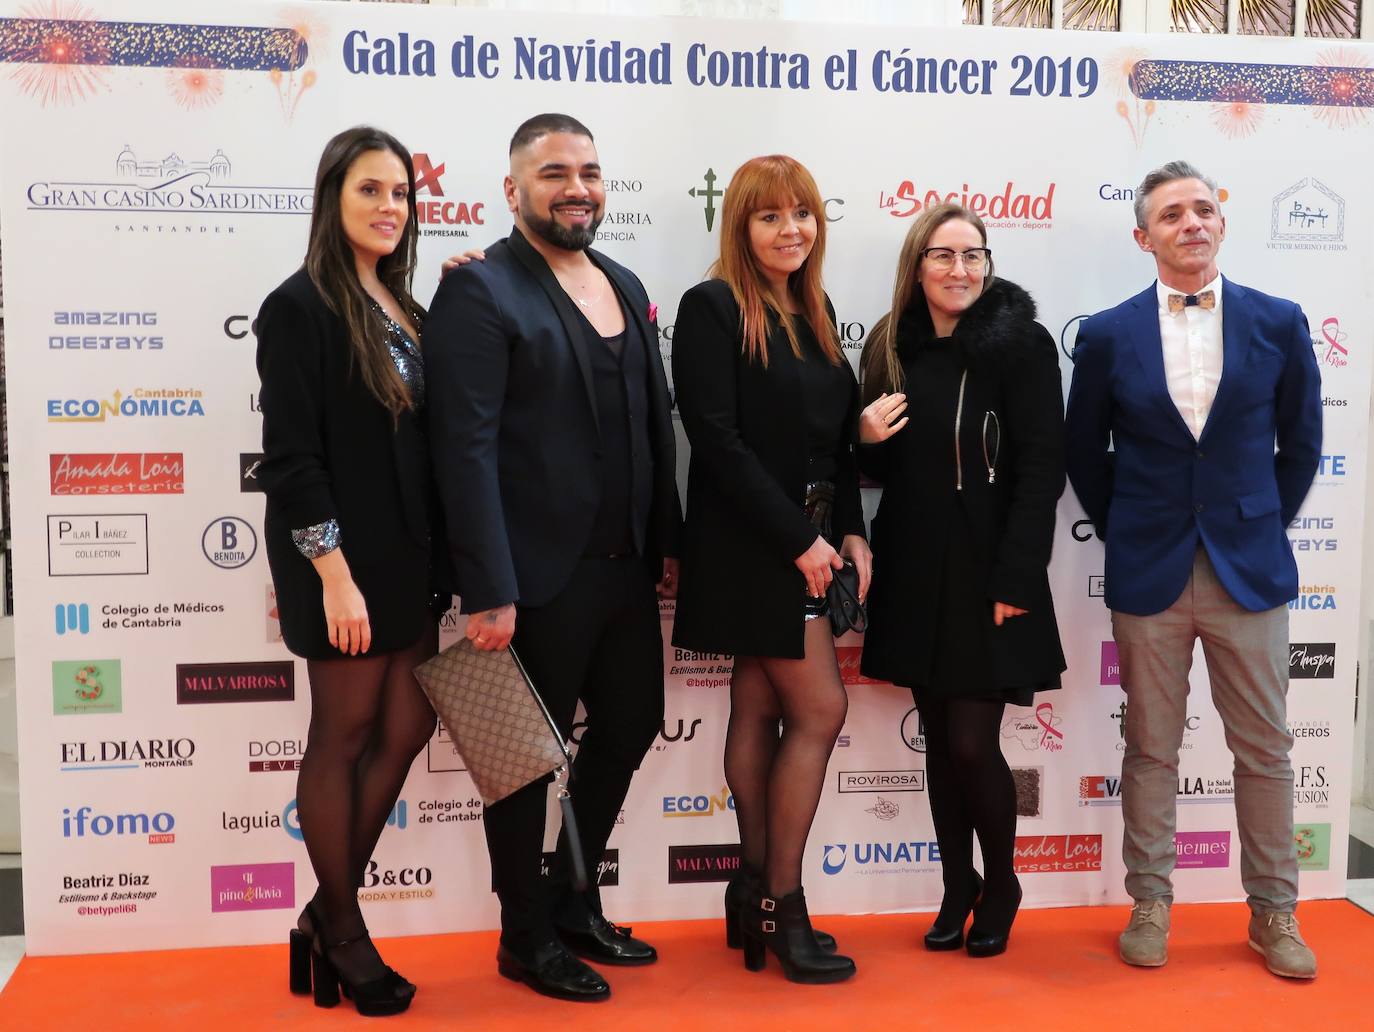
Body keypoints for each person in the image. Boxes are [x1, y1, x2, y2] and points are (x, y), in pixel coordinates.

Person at [425, 113, 681, 1003]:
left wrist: (667, 544)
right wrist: (488, 587)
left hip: (623, 568)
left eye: (591, 171)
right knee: (522, 763)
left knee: (631, 724)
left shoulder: (624, 278)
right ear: (513, 191)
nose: (578, 187)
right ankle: (522, 936)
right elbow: (466, 448)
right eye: (555, 173)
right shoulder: (483, 289)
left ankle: (574, 900)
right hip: (531, 580)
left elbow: (656, 429)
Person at [1065, 160, 1322, 978]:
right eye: (1173, 214)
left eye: (1204, 208)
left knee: (1266, 750)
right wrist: (1131, 528)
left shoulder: (1279, 322)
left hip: (1249, 568)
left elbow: (1304, 443)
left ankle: (1274, 913)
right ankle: (1150, 902)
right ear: (1145, 236)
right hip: (1150, 570)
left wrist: (1256, 520)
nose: (1192, 222)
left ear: (1223, 221)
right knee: (1150, 748)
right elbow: (1084, 451)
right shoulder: (1106, 333)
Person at [256, 125, 441, 1016]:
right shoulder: (300, 307)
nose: (390, 208)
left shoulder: (408, 308)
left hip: (410, 562)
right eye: (371, 190)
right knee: (341, 734)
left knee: (404, 730)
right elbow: (291, 459)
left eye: (401, 193)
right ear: (333, 198)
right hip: (340, 566)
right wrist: (332, 573)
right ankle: (345, 933)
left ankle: (320, 917)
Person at [672, 154, 868, 985]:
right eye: (770, 216)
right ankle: (783, 907)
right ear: (740, 226)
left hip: (809, 541)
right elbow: (717, 441)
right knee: (819, 710)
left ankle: (749, 889)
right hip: (752, 544)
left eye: (803, 214)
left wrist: (850, 531)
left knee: (758, 703)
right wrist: (800, 540)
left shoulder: (814, 307)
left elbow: (837, 441)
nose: (792, 229)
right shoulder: (713, 306)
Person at [858, 203, 1066, 958]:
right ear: (918, 267)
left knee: (974, 744)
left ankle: (1002, 881)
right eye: (943, 257)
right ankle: (957, 883)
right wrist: (863, 437)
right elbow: (879, 469)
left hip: (991, 570)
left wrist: (1019, 570)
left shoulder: (1021, 343)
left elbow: (1043, 464)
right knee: (941, 745)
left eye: (973, 255)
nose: (960, 270)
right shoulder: (889, 345)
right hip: (913, 568)